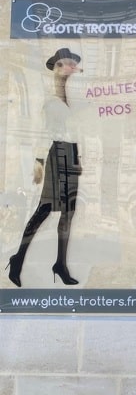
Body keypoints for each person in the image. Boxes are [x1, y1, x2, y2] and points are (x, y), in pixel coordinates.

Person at [6, 47, 83, 287]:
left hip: (70, 154)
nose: (72, 67)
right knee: (45, 208)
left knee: (68, 212)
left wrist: (76, 158)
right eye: (68, 63)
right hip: (57, 154)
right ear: (58, 67)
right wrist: (39, 163)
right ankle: (18, 259)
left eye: (72, 63)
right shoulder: (50, 101)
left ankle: (60, 264)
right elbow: (43, 131)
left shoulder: (64, 98)